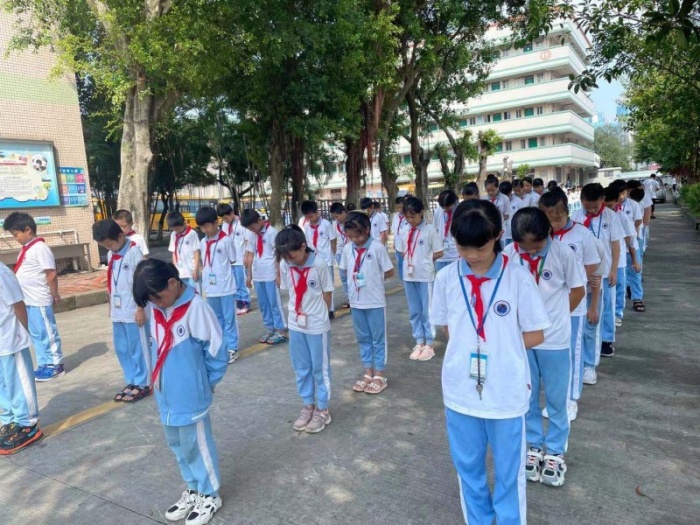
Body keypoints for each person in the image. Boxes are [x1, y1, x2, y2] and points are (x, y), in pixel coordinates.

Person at [431, 199, 550, 525]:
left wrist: (498, 349)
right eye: (462, 247)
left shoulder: (517, 278)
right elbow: (448, 328)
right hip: (460, 391)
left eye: (480, 247)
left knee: (510, 471)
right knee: (468, 468)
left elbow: (536, 333)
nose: (471, 255)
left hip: (506, 392)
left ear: (498, 235)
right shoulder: (446, 279)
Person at [132, 259, 227, 525]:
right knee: (178, 446)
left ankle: (210, 494)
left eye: (157, 298)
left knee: (197, 445)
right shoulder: (158, 309)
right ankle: (194, 489)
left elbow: (217, 352)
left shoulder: (197, 308)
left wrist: (204, 385)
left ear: (172, 283)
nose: (156, 304)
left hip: (190, 395)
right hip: (166, 394)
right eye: (151, 301)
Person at [505, 208, 585, 487]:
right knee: (527, 396)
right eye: (524, 246)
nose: (530, 251)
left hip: (554, 341)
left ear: (548, 232)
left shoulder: (563, 254)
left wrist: (558, 318)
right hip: (523, 340)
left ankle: (555, 451)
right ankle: (534, 446)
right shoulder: (510, 255)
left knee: (556, 399)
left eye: (536, 245)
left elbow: (578, 290)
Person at [539, 189, 602, 421]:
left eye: (558, 216)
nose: (554, 223)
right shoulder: (541, 237)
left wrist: (574, 282)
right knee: (550, 355)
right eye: (548, 218)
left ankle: (570, 399)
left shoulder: (582, 234)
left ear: (567, 211)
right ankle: (556, 397)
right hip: (546, 304)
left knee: (572, 352)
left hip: (573, 304)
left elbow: (591, 267)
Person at [276, 226, 334, 433]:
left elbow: (327, 293)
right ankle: (308, 404)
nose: (290, 260)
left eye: (292, 255)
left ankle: (323, 409)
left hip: (317, 325)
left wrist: (321, 316)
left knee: (320, 368)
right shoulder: (286, 264)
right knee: (301, 367)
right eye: (285, 257)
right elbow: (288, 289)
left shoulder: (319, 264)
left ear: (303, 246)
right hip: (295, 323)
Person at [93, 219, 151, 403]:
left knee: (137, 348)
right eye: (105, 246)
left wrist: (140, 307)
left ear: (120, 236)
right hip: (119, 311)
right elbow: (112, 282)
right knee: (122, 348)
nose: (109, 249)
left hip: (134, 310)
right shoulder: (112, 254)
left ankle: (143, 382)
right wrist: (111, 304)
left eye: (110, 244)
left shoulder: (134, 253)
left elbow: (142, 282)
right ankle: (131, 380)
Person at [571, 184, 624, 382]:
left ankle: (593, 359)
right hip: (579, 275)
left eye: (595, 206)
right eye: (588, 207)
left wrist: (614, 269)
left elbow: (615, 244)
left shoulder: (610, 217)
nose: (592, 211)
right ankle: (579, 359)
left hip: (602, 273)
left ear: (602, 200)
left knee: (597, 316)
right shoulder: (576, 217)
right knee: (580, 320)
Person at [2, 212, 64, 381]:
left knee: (47, 332)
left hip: (39, 298)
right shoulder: (26, 249)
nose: (15, 238)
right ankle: (44, 363)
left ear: (28, 230)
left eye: (16, 234)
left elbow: (51, 273)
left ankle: (55, 364)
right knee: (36, 335)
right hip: (28, 300)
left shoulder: (40, 248)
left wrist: (54, 293)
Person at [339, 212, 394, 394]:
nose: (355, 240)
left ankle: (379, 375)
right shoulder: (348, 249)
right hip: (356, 302)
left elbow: (389, 271)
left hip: (374, 301)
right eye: (351, 236)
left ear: (367, 230)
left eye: (358, 236)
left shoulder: (377, 248)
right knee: (363, 338)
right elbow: (344, 271)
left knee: (378, 338)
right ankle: (368, 372)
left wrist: (374, 280)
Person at [0, 261, 43, 455]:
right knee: (3, 384)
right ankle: (10, 420)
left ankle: (27, 424)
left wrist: (23, 332)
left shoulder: (2, 272)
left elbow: (18, 305)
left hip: (11, 337)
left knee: (18, 381)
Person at [400, 197, 443, 361]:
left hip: (425, 276)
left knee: (427, 310)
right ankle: (419, 341)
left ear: (421, 213)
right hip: (409, 275)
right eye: (407, 217)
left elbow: (439, 251)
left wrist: (425, 260)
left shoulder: (430, 230)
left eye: (413, 216)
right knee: (414, 310)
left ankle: (429, 343)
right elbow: (402, 251)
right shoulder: (404, 230)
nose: (410, 220)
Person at [195, 207, 240, 364]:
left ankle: (232, 348)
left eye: (207, 226)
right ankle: (222, 346)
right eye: (202, 227)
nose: (205, 230)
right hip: (211, 288)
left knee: (229, 319)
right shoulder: (203, 242)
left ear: (216, 223)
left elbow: (232, 259)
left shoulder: (226, 240)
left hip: (226, 287)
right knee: (216, 319)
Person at [241, 209, 287, 345]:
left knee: (274, 303)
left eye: (253, 227)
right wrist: (249, 275)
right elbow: (250, 254)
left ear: (260, 221)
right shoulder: (252, 235)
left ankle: (280, 330)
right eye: (249, 229)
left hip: (270, 273)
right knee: (264, 304)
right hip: (258, 274)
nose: (252, 230)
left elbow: (278, 255)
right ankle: (269, 327)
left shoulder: (272, 233)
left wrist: (278, 275)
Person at [604, 186, 641, 329]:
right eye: (605, 205)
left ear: (616, 202)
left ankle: (617, 314)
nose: (607, 208)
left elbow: (630, 241)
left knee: (619, 286)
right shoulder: (598, 216)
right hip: (603, 260)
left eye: (610, 206)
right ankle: (607, 314)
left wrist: (635, 260)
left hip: (619, 260)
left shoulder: (622, 217)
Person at [300, 201, 336, 319]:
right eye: (307, 217)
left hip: (326, 258)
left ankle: (330, 309)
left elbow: (333, 240)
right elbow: (308, 242)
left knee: (328, 285)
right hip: (314, 259)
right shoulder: (307, 226)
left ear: (317, 212)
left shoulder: (326, 224)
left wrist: (332, 255)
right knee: (317, 284)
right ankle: (321, 307)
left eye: (311, 216)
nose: (309, 219)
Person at [217, 203, 252, 316]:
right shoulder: (224, 225)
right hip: (229, 259)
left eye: (226, 217)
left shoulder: (242, 223)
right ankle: (238, 302)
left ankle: (245, 302)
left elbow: (247, 240)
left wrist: (246, 255)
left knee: (241, 282)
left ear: (232, 213)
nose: (225, 220)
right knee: (234, 283)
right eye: (223, 218)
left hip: (240, 258)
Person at [167, 212, 201, 288]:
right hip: (180, 271)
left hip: (191, 270)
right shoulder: (173, 235)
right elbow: (174, 252)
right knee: (183, 291)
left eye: (178, 228)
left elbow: (196, 252)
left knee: (194, 291)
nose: (176, 230)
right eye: (174, 228)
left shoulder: (192, 234)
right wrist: (175, 269)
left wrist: (196, 269)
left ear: (184, 223)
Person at [628, 187, 648, 311]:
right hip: (615, 247)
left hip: (633, 241)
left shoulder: (633, 204)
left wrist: (634, 234)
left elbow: (640, 220)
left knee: (635, 270)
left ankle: (637, 298)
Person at [329, 202, 350, 308]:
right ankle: (349, 298)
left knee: (355, 275)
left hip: (351, 252)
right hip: (340, 253)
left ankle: (359, 296)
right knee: (344, 277)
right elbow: (333, 240)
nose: (336, 219)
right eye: (334, 217)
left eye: (337, 216)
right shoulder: (334, 225)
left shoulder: (352, 221)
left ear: (343, 213)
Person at [433, 190, 460, 272]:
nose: (445, 208)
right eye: (443, 207)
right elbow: (435, 229)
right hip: (441, 253)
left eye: (447, 206)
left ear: (454, 201)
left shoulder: (461, 211)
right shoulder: (438, 211)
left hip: (456, 253)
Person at [390, 196, 410, 282]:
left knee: (407, 262)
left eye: (401, 207)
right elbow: (394, 230)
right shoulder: (396, 216)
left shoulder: (409, 216)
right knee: (400, 263)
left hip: (407, 244)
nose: (399, 210)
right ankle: (403, 280)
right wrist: (394, 242)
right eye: (397, 208)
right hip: (398, 244)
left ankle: (408, 278)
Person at [499, 181, 522, 248]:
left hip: (514, 233)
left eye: (507, 195)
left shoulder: (518, 201)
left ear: (510, 192)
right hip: (502, 234)